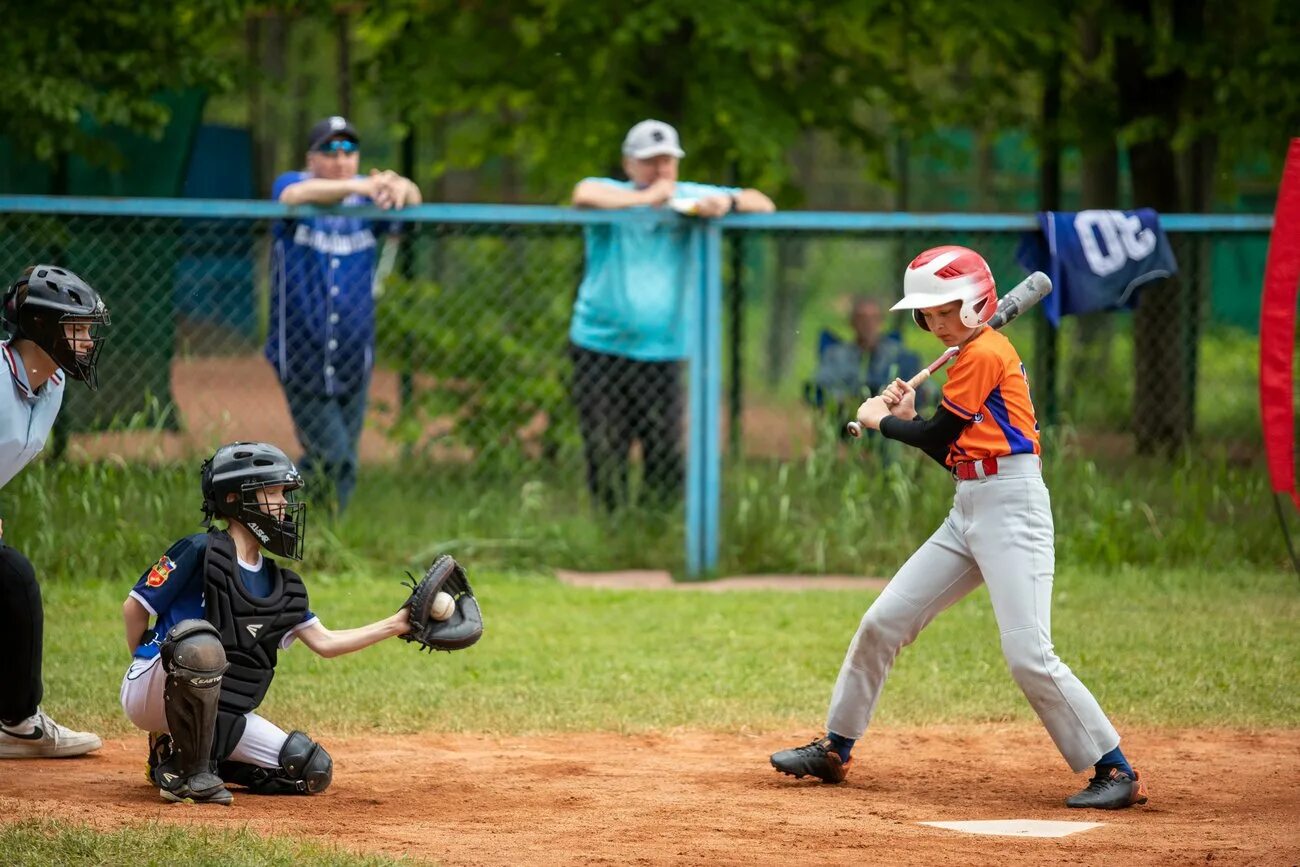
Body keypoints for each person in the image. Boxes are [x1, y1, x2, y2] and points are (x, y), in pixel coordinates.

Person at [769, 246, 1149, 810]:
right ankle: (835, 748)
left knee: (1028, 654)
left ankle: (1114, 769)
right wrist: (907, 419)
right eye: (928, 315)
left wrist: (886, 422)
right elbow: (954, 455)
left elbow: (934, 436)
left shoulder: (984, 352)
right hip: (970, 504)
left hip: (1012, 509)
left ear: (976, 305)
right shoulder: (969, 357)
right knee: (883, 621)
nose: (937, 323)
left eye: (946, 310)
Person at [119, 441, 413, 805]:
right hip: (154, 686)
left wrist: (399, 623)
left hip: (218, 708)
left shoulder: (280, 585)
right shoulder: (198, 550)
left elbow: (326, 643)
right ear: (234, 499)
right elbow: (134, 608)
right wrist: (147, 661)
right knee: (201, 646)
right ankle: (185, 773)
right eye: (273, 492)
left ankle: (184, 757)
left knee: (307, 767)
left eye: (284, 494)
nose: (284, 505)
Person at [569, 119, 775, 511]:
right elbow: (582, 193)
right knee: (604, 445)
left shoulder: (690, 198)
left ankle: (654, 529)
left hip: (664, 351)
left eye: (668, 161)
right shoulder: (612, 194)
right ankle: (609, 529)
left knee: (663, 449)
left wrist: (725, 203)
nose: (661, 170)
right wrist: (648, 200)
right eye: (650, 161)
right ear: (629, 165)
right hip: (599, 347)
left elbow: (762, 202)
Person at [268, 115, 421, 514]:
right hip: (302, 353)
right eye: (330, 151)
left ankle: (325, 532)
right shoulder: (293, 185)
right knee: (331, 453)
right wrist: (361, 185)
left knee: (342, 459)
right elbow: (292, 198)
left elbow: (413, 202)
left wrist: (397, 186)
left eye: (350, 151)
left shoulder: (366, 206)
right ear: (311, 158)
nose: (341, 159)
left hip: (353, 356)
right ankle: (287, 519)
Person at [0, 265, 109, 759]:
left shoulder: (54, 383)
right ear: (42, 328)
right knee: (13, 577)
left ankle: (18, 724)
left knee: (12, 582)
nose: (86, 340)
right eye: (77, 328)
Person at [809, 296, 934, 427]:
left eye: (874, 318)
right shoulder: (835, 355)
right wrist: (851, 399)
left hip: (892, 424)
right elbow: (819, 389)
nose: (868, 323)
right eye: (862, 318)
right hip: (848, 422)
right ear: (852, 322)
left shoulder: (900, 356)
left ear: (881, 321)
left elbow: (929, 392)